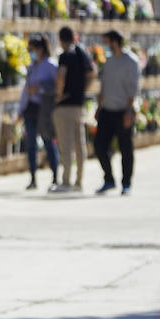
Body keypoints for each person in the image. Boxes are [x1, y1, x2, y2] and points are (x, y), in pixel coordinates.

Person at [94, 29, 141, 195]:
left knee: (126, 149)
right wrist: (99, 107)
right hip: (107, 110)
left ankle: (126, 183)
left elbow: (133, 89)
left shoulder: (131, 62)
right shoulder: (109, 62)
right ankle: (109, 179)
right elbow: (104, 87)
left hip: (123, 111)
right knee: (99, 146)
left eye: (107, 42)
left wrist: (129, 111)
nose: (105, 46)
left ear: (115, 42)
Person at [52, 26, 93, 194]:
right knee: (80, 144)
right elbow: (93, 73)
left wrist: (59, 94)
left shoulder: (65, 55)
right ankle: (79, 181)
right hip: (79, 105)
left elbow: (61, 75)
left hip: (66, 105)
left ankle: (66, 181)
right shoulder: (82, 53)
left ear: (61, 39)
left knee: (66, 145)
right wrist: (84, 90)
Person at [19, 35, 59, 191]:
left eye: (32, 49)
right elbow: (26, 90)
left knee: (49, 142)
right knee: (31, 145)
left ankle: (55, 176)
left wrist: (40, 87)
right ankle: (33, 178)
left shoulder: (50, 65)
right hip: (30, 108)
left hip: (44, 109)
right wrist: (20, 109)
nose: (31, 53)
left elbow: (57, 86)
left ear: (40, 49)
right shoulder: (31, 67)